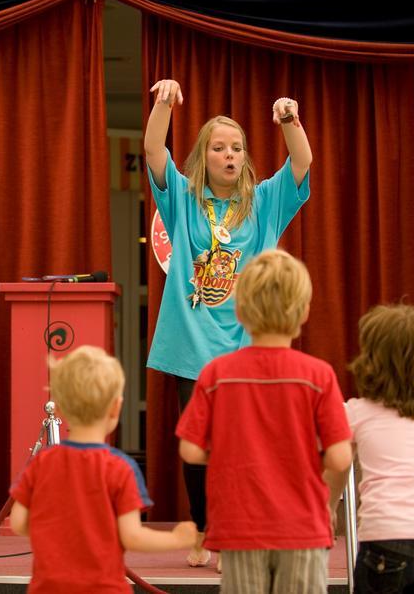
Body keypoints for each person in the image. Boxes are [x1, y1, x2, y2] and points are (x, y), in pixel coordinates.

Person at [144, 79, 313, 570]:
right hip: (189, 342)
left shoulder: (264, 202)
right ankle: (203, 529)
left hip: (245, 343)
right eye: (218, 148)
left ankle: (234, 528)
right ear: (203, 158)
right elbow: (155, 148)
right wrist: (162, 103)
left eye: (237, 148)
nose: (229, 155)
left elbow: (301, 165)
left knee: (240, 445)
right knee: (198, 444)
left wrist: (289, 122)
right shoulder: (181, 197)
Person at [175, 249, 353, 594]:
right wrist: (328, 505)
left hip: (241, 530)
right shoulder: (319, 376)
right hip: (303, 528)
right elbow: (340, 458)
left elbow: (191, 451)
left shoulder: (216, 375)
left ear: (239, 311)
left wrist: (232, 452)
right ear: (303, 313)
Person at [9, 346, 199, 592]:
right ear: (115, 408)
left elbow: (19, 522)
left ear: (62, 408)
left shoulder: (42, 463)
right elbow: (132, 536)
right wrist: (176, 539)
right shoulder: (121, 468)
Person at [331, 304, 414, 593]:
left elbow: (339, 466)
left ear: (372, 360)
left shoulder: (358, 412)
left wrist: (328, 508)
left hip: (386, 537)